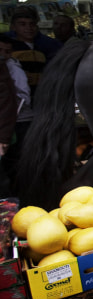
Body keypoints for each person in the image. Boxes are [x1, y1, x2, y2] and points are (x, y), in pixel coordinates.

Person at [0, 34, 32, 197]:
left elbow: (17, 98)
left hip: (18, 123)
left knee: (12, 165)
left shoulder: (12, 67)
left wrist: (4, 135)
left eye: (7, 51)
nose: (3, 54)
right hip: (10, 125)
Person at [8, 6, 62, 93]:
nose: (29, 28)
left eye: (32, 24)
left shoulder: (42, 50)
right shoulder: (9, 50)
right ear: (13, 27)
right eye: (22, 24)